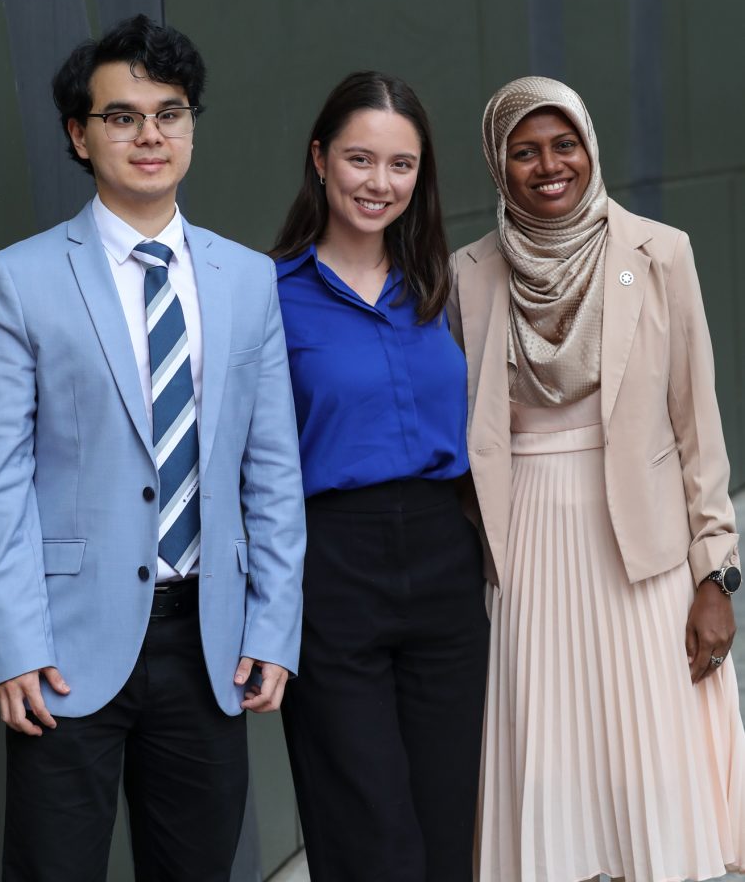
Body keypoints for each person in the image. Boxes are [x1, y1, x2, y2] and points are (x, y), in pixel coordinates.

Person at [0, 13, 306, 882]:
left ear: (191, 125)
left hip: (209, 642)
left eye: (170, 112)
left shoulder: (246, 279)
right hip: (65, 651)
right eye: (122, 116)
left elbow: (271, 470)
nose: (149, 135)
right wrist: (14, 643)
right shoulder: (22, 277)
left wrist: (274, 622)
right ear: (80, 135)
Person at [448, 75, 745, 882]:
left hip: (641, 554)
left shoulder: (659, 253)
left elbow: (697, 427)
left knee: (646, 774)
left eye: (563, 143)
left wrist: (714, 576)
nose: (548, 165)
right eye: (523, 151)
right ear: (497, 165)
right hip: (527, 554)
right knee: (551, 774)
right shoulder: (466, 275)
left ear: (589, 146)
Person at [271, 71, 489, 882]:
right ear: (320, 159)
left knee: (445, 824)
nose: (379, 182)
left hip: (442, 560)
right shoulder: (267, 297)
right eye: (360, 159)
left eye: (401, 165)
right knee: (365, 830)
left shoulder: (446, 285)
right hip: (332, 566)